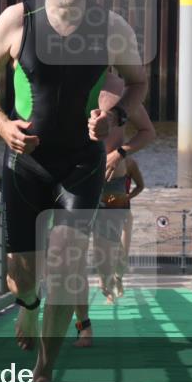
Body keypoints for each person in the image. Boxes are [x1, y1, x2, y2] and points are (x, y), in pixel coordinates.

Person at [0, 0, 147, 382]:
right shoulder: (17, 21)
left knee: (68, 268)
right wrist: (4, 126)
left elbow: (138, 81)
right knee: (19, 275)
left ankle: (45, 371)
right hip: (26, 164)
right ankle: (27, 304)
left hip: (82, 165)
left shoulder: (112, 28)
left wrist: (115, 115)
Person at [74, 71, 154, 347]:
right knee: (73, 255)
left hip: (112, 184)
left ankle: (109, 280)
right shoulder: (65, 77)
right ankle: (83, 326)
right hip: (75, 179)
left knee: (104, 254)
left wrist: (120, 153)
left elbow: (148, 131)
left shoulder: (118, 89)